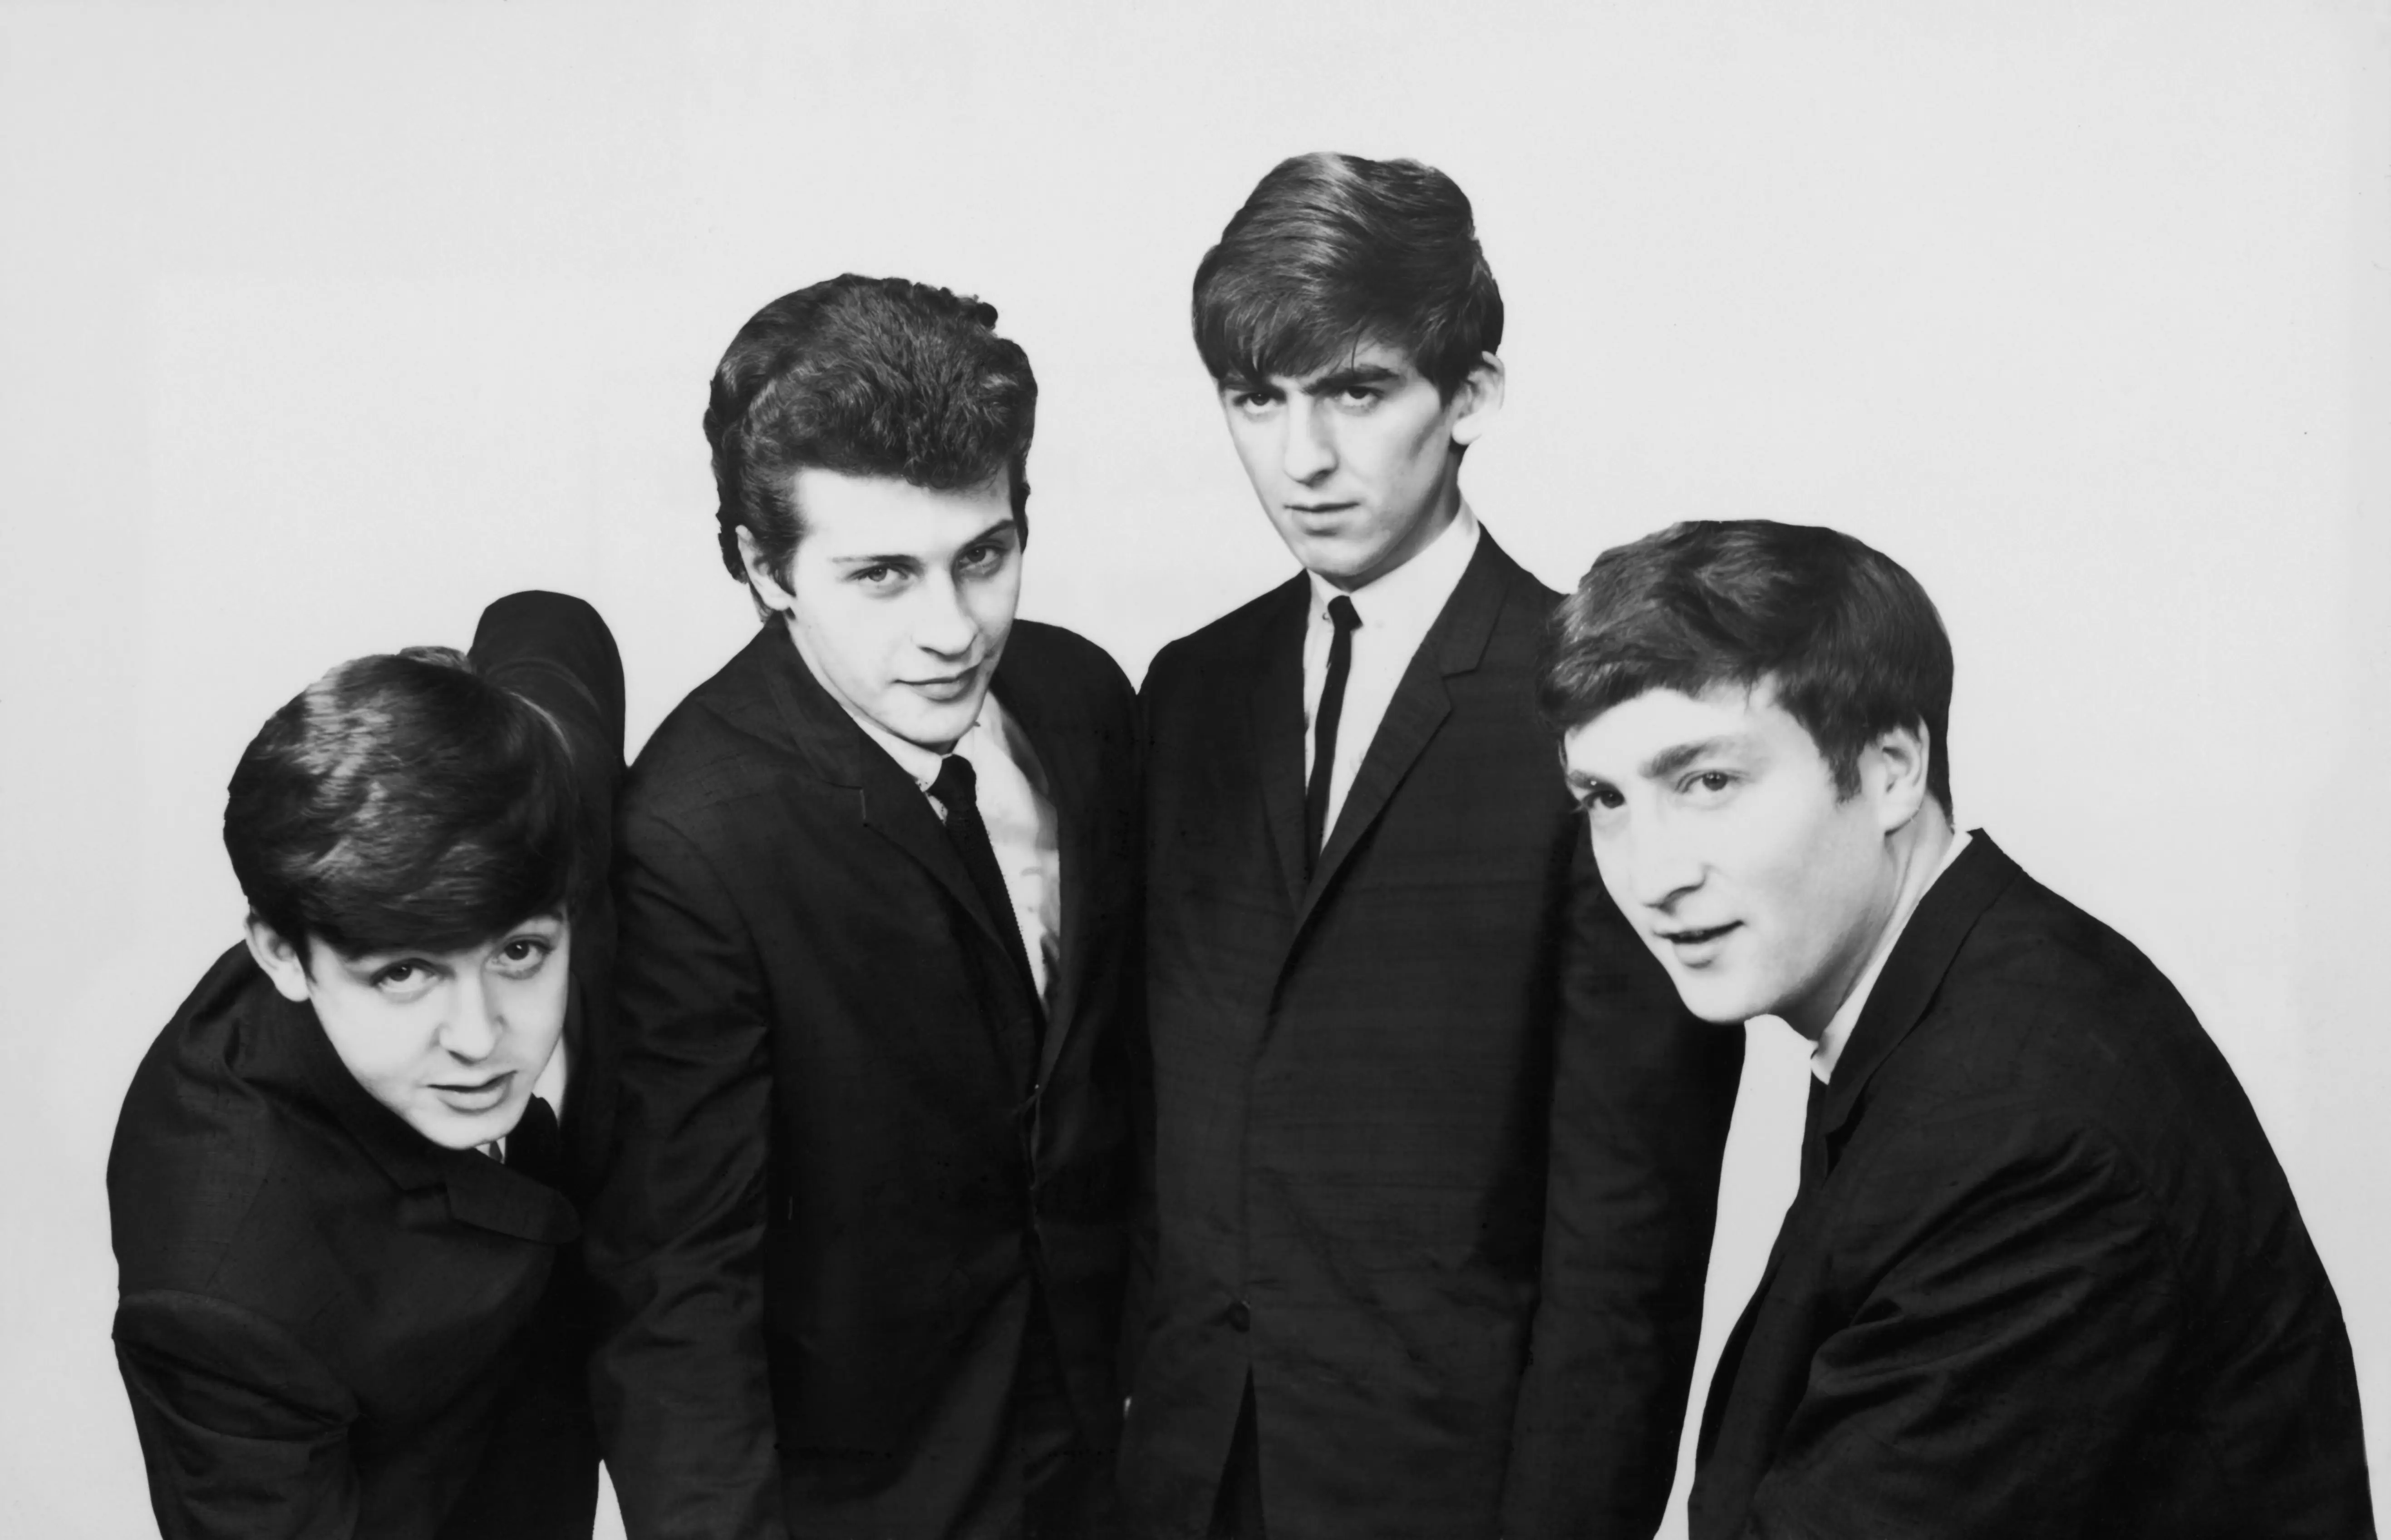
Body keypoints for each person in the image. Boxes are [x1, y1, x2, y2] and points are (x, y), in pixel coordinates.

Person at [1125, 151, 1745, 1539]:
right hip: (1181, 1479)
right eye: (1256, 400)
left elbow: (1625, 1246)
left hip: (1446, 1496)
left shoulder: (1599, 706)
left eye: (1356, 391)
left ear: (1470, 396)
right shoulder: (1186, 692)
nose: (1304, 460)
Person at [1541, 519, 2376, 1538]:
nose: (1652, 872)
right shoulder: (1961, 989)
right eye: (1606, 799)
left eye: (1708, 781)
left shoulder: (2020, 1134)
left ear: (1893, 767)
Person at [587, 275, 1139, 1540]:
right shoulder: (688, 837)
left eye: (983, 558)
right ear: (758, 565)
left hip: (1107, 1464)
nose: (953, 630)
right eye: (882, 574)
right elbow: (678, 1286)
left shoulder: (1082, 701)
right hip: (873, 1502)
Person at [108, 590, 625, 1540]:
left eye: (518, 953)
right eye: (405, 973)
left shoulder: (543, 808)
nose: (480, 1036)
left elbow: (550, 623)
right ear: (282, 955)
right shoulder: (225, 1293)